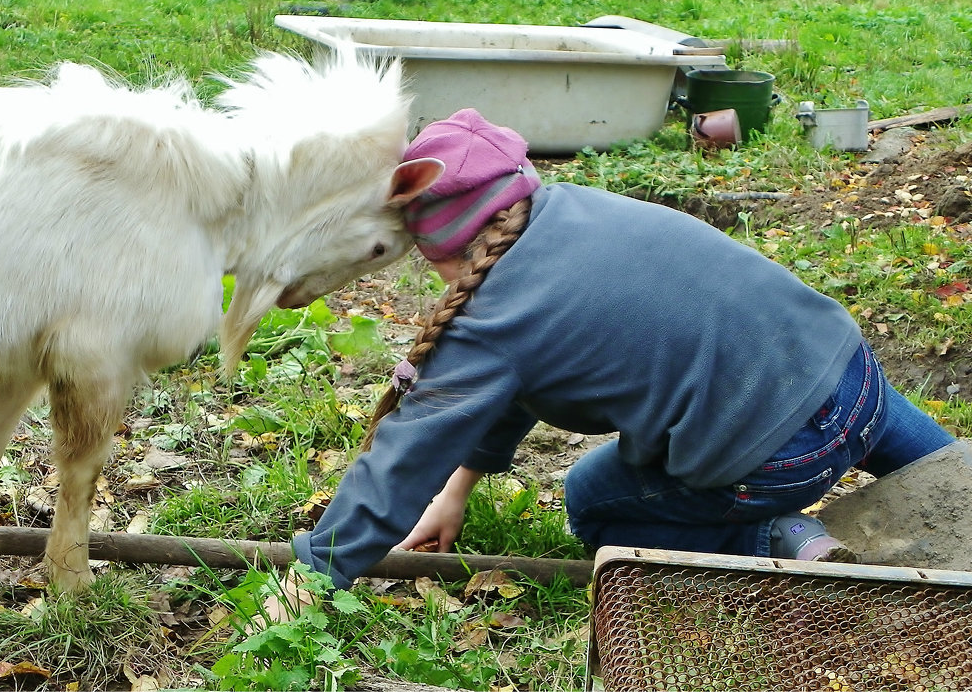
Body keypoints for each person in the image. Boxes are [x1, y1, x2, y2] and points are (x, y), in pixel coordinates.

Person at [269, 107, 956, 615]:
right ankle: (959, 481)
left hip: (777, 457)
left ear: (436, 244)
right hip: (854, 377)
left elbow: (400, 462)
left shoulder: (491, 319)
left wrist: (311, 577)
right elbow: (509, 390)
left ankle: (770, 536)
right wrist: (456, 491)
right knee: (948, 478)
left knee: (592, 497)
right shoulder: (573, 208)